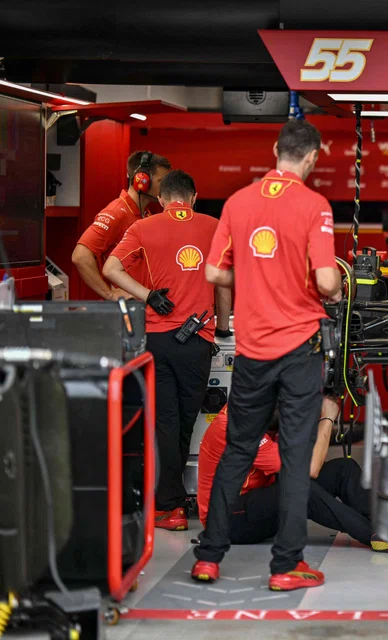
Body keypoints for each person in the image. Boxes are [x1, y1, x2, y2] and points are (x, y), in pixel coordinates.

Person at [192, 119, 342, 592]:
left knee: (239, 448)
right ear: (313, 157)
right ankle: (285, 566)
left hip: (252, 350)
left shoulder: (237, 202)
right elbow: (327, 283)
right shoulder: (315, 206)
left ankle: (209, 557)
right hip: (299, 348)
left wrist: (254, 281)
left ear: (276, 149)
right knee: (296, 456)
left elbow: (215, 272)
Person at [102, 169, 232, 531]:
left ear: (161, 199)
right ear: (194, 196)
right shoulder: (215, 226)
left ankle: (169, 506)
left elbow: (110, 267)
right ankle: (174, 501)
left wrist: (147, 296)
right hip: (199, 340)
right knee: (186, 423)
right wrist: (222, 326)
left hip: (157, 340)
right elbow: (223, 283)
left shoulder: (144, 227)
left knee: (163, 422)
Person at [196, 398, 388, 551]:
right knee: (301, 490)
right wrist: (327, 418)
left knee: (343, 469)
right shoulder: (238, 428)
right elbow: (311, 469)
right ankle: (375, 535)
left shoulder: (258, 412)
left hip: (258, 502)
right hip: (228, 520)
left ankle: (382, 522)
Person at [73, 151, 171, 300]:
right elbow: (80, 256)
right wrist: (109, 294)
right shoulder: (116, 213)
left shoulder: (145, 214)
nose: (166, 188)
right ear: (142, 181)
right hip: (125, 310)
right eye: (161, 181)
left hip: (142, 305)